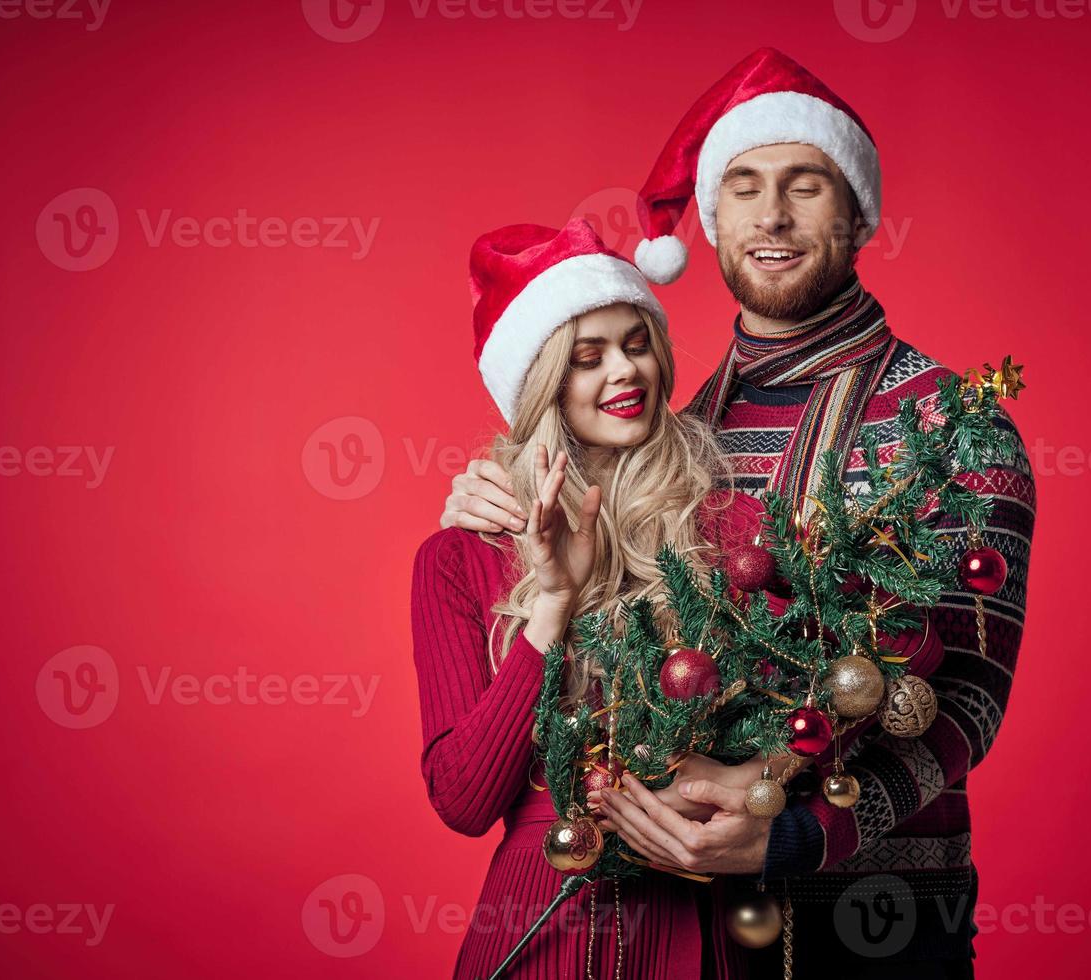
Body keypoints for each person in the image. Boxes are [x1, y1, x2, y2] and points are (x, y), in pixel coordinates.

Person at [437, 48, 1038, 978]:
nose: (772, 216)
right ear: (711, 220)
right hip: (686, 927)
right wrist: (490, 504)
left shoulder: (953, 425)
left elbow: (966, 696)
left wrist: (799, 833)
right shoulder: (663, 444)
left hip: (878, 923)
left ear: (858, 213)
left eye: (806, 185)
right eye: (744, 186)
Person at [413, 217, 791, 979]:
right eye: (588, 358)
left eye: (637, 342)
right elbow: (463, 800)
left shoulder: (735, 528)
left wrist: (760, 781)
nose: (625, 371)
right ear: (543, 385)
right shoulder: (460, 558)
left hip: (699, 927)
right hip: (540, 929)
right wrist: (552, 603)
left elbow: (804, 719)